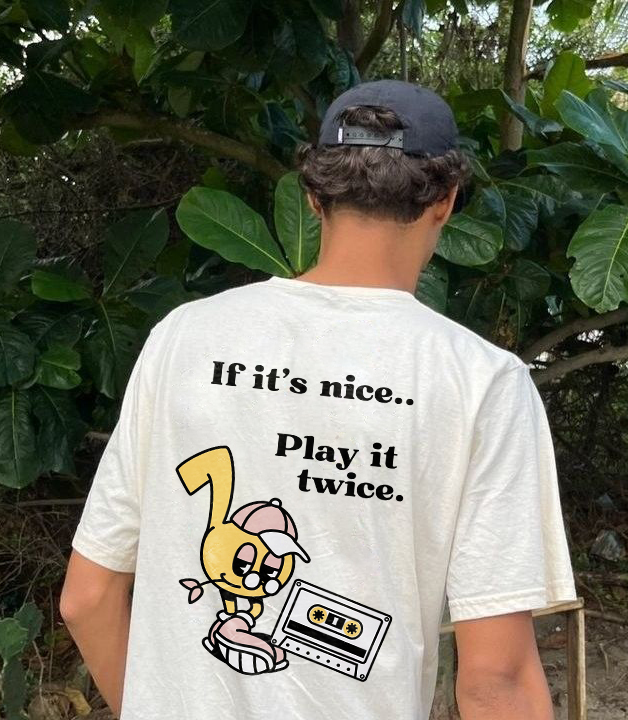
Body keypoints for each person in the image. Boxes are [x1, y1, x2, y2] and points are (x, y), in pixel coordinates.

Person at [60, 79, 578, 720]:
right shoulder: (482, 381)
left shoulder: (183, 337)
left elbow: (86, 599)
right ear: (446, 200)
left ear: (312, 196)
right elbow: (496, 680)